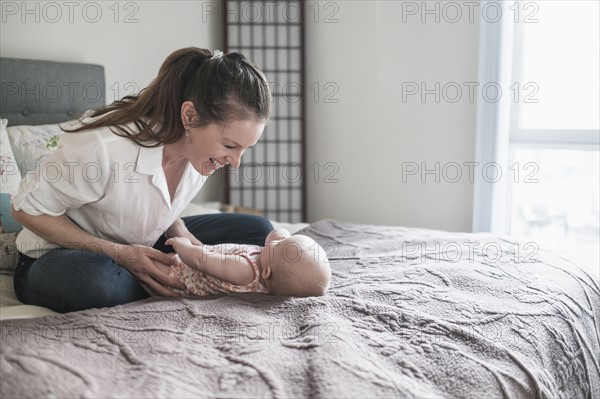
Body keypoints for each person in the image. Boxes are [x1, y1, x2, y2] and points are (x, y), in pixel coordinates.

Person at [11, 47, 273, 313]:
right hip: (55, 257)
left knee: (258, 230)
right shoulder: (103, 147)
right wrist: (119, 254)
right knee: (102, 284)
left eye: (243, 149)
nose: (236, 161)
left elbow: (154, 198)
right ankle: (176, 283)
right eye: (230, 145)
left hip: (138, 241)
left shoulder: (201, 155)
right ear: (190, 117)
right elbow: (24, 210)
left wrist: (176, 228)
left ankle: (167, 279)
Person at [164, 228, 331, 297]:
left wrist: (183, 245)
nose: (282, 239)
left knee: (156, 262)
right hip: (187, 261)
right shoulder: (267, 261)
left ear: (267, 272)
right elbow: (273, 236)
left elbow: (202, 261)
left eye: (281, 243)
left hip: (179, 273)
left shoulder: (244, 270)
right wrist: (282, 237)